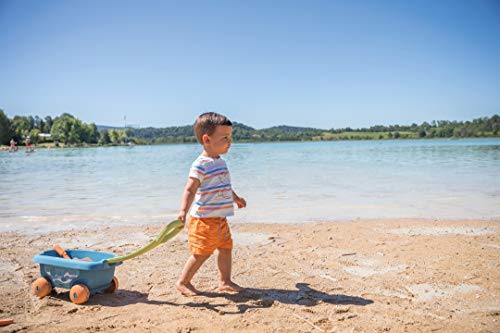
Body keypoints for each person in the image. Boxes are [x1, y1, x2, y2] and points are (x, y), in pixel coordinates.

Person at [176, 112, 247, 296]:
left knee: (225, 248)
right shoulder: (200, 164)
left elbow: (223, 186)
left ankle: (225, 281)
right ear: (207, 139)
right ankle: (183, 282)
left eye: (230, 137)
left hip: (220, 219)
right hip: (204, 220)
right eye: (224, 138)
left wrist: (236, 198)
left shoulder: (220, 162)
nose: (229, 142)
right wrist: (183, 211)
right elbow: (190, 189)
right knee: (201, 253)